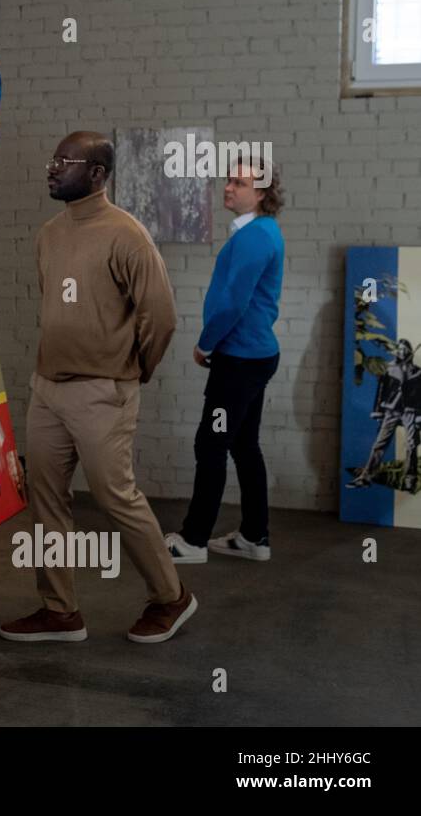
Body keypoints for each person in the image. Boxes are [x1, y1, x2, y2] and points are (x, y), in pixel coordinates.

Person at [0, 131, 196, 645]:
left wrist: (131, 369)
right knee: (45, 501)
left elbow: (163, 316)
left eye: (64, 161)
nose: (51, 168)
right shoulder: (48, 234)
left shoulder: (126, 234)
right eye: (52, 158)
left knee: (115, 497)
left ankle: (171, 596)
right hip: (48, 389)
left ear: (97, 174)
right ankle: (60, 611)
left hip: (103, 393)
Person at [165, 161, 286, 563]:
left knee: (211, 443)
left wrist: (205, 344)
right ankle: (255, 537)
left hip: (238, 360)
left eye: (240, 182)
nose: (228, 188)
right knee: (244, 445)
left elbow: (233, 302)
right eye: (228, 180)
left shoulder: (254, 237)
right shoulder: (261, 232)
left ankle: (194, 540)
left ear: (264, 193)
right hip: (254, 356)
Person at [348, 339, 419, 492]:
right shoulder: (389, 368)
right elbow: (381, 390)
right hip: (391, 411)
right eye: (399, 349)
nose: (401, 351)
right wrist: (378, 411)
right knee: (379, 444)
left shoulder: (416, 371)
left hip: (409, 412)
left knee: (412, 444)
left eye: (404, 349)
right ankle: (366, 477)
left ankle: (410, 479)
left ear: (409, 350)